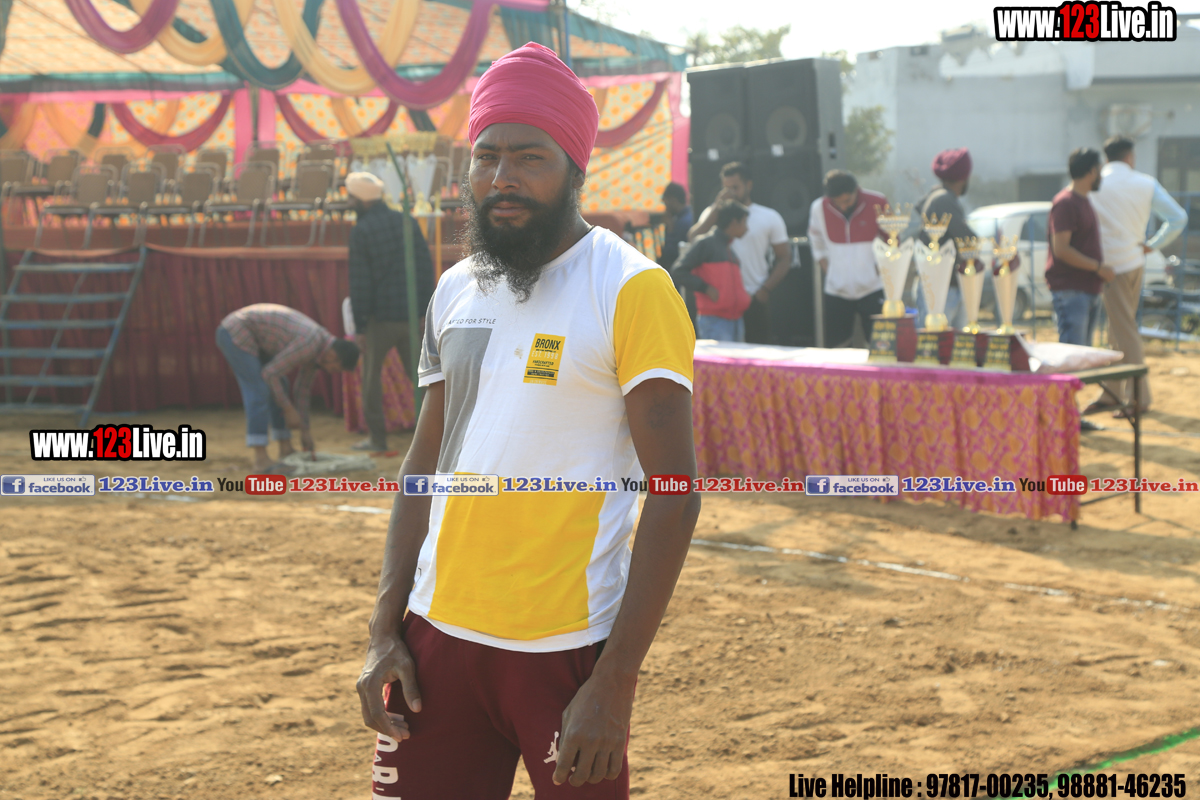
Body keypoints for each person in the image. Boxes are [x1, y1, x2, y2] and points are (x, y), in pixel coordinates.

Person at [356, 42, 700, 800]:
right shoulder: (454, 289)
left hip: (566, 653)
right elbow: (422, 467)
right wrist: (385, 629)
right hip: (436, 640)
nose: (502, 177)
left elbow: (676, 494)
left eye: (529, 157)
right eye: (486, 156)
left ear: (576, 168)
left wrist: (615, 682)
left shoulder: (632, 289)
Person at [1085, 135, 1187, 416]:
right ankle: (1114, 393)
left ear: (1107, 157)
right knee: (1120, 329)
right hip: (1133, 262)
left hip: (1108, 266)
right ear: (1129, 156)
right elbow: (1178, 218)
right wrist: (1152, 244)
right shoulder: (1145, 183)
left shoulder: (1095, 183)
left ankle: (1137, 397)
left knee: (1123, 330)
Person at [346, 172, 435, 456]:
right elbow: (424, 267)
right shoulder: (406, 221)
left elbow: (360, 282)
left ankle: (377, 440)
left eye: (350, 197)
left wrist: (360, 326)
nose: (348, 202)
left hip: (379, 320)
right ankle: (438, 437)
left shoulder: (362, 231)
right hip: (410, 315)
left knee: (371, 380)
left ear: (361, 200)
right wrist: (425, 311)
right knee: (423, 380)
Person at [216, 304, 359, 472]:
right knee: (259, 390)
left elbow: (303, 391)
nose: (331, 372)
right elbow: (270, 374)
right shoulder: (309, 343)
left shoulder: (320, 351)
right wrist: (288, 408)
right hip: (235, 331)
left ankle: (286, 449)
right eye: (335, 369)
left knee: (281, 385)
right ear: (333, 356)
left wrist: (305, 431)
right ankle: (261, 459)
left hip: (260, 338)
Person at [688, 162, 790, 343]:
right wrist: (716, 208)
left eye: (735, 188)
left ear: (748, 185)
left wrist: (765, 289)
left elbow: (784, 258)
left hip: (754, 297)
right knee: (723, 358)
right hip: (721, 302)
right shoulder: (713, 213)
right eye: (726, 188)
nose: (730, 193)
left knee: (758, 355)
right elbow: (693, 238)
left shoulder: (769, 216)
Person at [807, 170, 889, 346]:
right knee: (838, 347)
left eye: (847, 201)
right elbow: (816, 240)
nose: (843, 206)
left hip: (873, 288)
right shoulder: (818, 207)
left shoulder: (878, 202)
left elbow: (892, 239)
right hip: (836, 290)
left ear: (856, 190)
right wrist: (828, 269)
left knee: (880, 346)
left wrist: (880, 269)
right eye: (837, 202)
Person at [1046, 147, 1114, 348]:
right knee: (1073, 355)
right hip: (1072, 291)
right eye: (1100, 171)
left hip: (1085, 289)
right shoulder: (1065, 203)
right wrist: (1098, 268)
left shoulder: (1082, 201)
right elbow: (1061, 249)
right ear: (1092, 171)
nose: (1101, 176)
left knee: (1082, 355)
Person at [912, 148, 977, 329]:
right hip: (941, 289)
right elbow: (967, 239)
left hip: (945, 286)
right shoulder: (943, 200)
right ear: (964, 177)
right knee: (937, 342)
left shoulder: (940, 197)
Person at [671, 201, 751, 341]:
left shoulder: (729, 248)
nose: (747, 228)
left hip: (735, 320)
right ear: (734, 222)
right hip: (715, 321)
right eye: (744, 222)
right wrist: (705, 288)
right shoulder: (706, 243)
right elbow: (678, 271)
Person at [659, 182, 696, 325]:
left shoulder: (681, 223)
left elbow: (671, 253)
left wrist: (669, 230)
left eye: (666, 202)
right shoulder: (690, 216)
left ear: (673, 200)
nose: (665, 207)